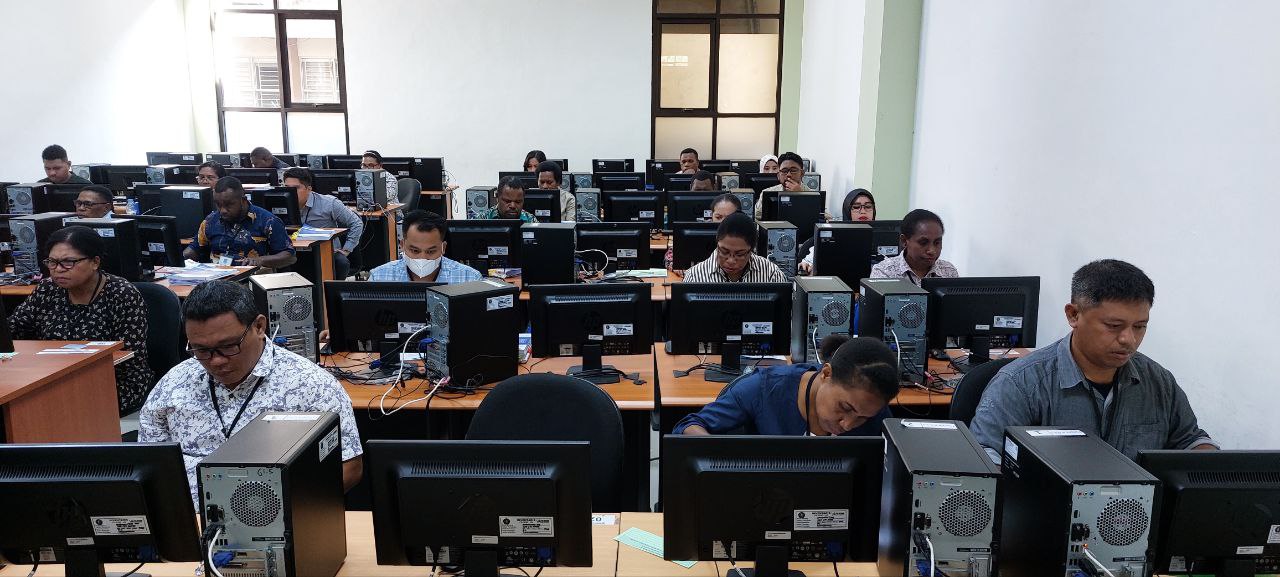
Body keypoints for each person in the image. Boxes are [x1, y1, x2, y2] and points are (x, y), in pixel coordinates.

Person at [970, 260, 1218, 462]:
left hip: (1137, 508)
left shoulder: (1158, 381)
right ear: (1073, 315)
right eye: (1113, 326)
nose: (1128, 339)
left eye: (1140, 326)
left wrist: (1209, 464)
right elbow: (985, 461)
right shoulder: (1021, 384)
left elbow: (1190, 440)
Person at [139, 280, 363, 504]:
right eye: (201, 349)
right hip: (186, 514)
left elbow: (349, 467)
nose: (216, 361)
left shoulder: (312, 385)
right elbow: (149, 465)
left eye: (228, 346)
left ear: (259, 327)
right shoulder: (173, 385)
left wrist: (287, 509)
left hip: (273, 513)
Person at [7, 226, 152, 415]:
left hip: (113, 380)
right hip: (52, 375)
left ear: (95, 262)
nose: (58, 270)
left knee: (50, 407)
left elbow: (130, 355)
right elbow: (14, 328)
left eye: (68, 262)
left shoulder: (122, 294)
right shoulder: (47, 289)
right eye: (52, 262)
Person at [673, 335, 897, 436]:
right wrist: (722, 456)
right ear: (826, 374)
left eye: (863, 418)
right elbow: (688, 426)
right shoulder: (763, 388)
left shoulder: (875, 410)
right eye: (845, 408)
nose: (848, 425)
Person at [184, 176, 297, 269]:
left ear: (243, 200)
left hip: (253, 279)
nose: (223, 210)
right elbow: (195, 248)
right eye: (218, 204)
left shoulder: (268, 221)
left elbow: (290, 257)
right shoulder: (210, 220)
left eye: (228, 204)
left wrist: (260, 260)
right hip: (217, 279)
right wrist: (179, 258)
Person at [282, 167, 363, 280]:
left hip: (325, 252)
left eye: (296, 188)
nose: (290, 192)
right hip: (293, 252)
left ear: (309, 189)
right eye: (287, 188)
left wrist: (346, 249)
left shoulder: (329, 203)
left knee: (341, 262)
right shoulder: (279, 203)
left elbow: (356, 223)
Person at [369, 210, 482, 283]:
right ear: (402, 245)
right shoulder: (379, 277)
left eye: (430, 251)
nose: (422, 258)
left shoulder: (469, 279)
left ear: (443, 248)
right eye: (415, 251)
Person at [683, 212, 787, 282]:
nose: (731, 261)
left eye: (739, 254)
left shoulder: (771, 274)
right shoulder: (695, 276)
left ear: (752, 249)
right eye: (724, 252)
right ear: (717, 243)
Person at [869, 208, 958, 286]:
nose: (932, 250)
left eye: (937, 243)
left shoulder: (948, 271)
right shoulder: (884, 272)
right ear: (904, 241)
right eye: (923, 243)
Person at [798, 189, 876, 274]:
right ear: (847, 210)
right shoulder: (837, 235)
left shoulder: (885, 236)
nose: (863, 211)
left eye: (868, 207)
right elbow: (808, 263)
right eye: (856, 207)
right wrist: (806, 265)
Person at [666, 193, 742, 269]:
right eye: (718, 217)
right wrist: (677, 267)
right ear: (712, 215)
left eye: (729, 218)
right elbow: (670, 257)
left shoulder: (744, 234)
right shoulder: (699, 228)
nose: (722, 222)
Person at [754, 152, 810, 218]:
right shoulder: (766, 193)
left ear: (802, 173)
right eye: (784, 171)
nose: (789, 174)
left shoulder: (813, 194)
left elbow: (814, 217)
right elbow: (757, 217)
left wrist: (800, 196)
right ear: (778, 176)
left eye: (793, 170)